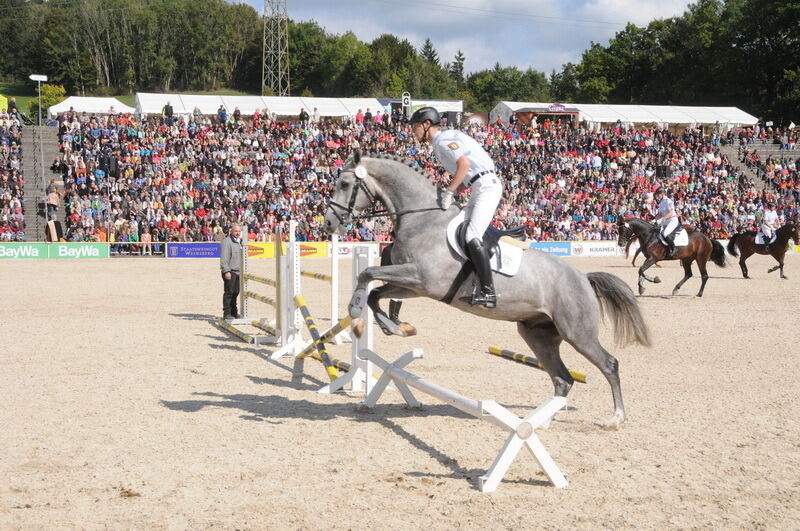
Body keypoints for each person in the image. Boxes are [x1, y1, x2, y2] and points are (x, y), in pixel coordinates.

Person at [410, 106, 502, 308]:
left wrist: (450, 191)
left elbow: (464, 164)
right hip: (477, 186)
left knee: (472, 236)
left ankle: (488, 291)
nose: (413, 131)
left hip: (487, 186)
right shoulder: (440, 142)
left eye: (415, 126)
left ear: (427, 125)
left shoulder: (442, 140)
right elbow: (467, 175)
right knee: (456, 228)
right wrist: (452, 192)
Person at [220, 223, 243, 320]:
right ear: (231, 231)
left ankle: (234, 312)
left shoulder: (240, 242)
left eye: (239, 231)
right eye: (236, 231)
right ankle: (227, 313)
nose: (237, 233)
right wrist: (226, 271)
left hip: (238, 272)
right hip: (230, 271)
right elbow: (224, 258)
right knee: (229, 293)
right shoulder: (227, 242)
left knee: (236, 292)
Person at [654, 187, 679, 257]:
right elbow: (660, 214)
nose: (657, 196)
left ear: (662, 194)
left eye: (658, 194)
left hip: (672, 220)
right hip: (665, 220)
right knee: (655, 230)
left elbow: (671, 212)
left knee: (665, 233)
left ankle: (674, 249)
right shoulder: (661, 202)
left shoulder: (669, 201)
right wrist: (654, 219)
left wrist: (661, 219)